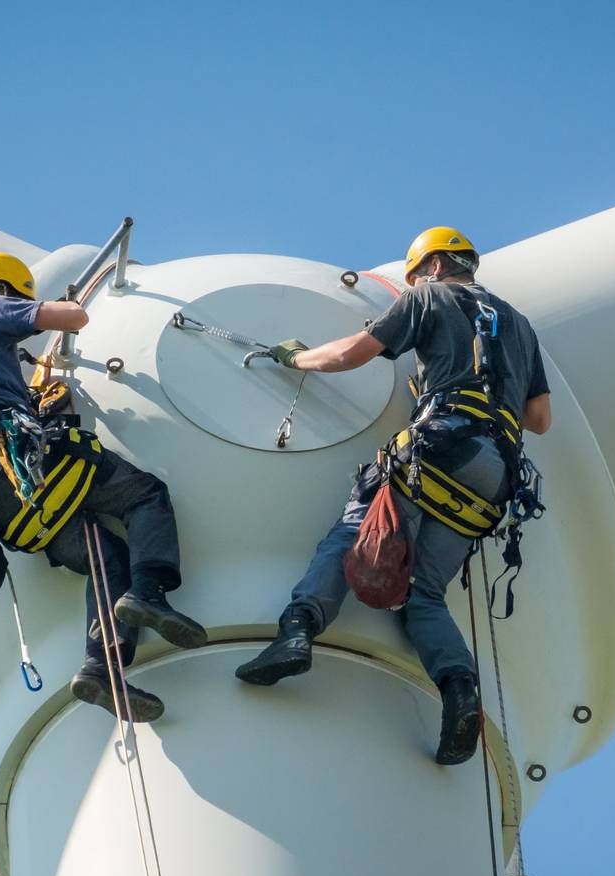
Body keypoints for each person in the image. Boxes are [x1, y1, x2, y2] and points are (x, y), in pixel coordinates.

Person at [234, 227, 551, 764]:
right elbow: (539, 419)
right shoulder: (519, 326)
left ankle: (296, 633)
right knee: (423, 594)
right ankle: (459, 691)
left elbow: (352, 355)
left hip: (440, 445)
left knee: (352, 535)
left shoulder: (427, 297)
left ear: (430, 267)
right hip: (495, 476)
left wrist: (295, 360)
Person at [0, 252, 207, 721]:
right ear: (3, 290)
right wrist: (58, 308)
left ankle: (100, 669)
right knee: (144, 495)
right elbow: (72, 317)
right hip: (23, 460)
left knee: (105, 557)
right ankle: (148, 592)